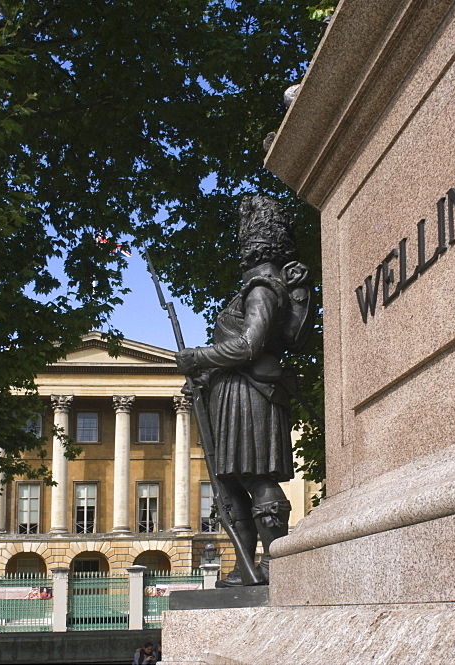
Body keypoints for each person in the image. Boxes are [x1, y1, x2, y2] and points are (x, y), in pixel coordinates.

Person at [175, 196, 314, 586]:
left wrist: (197, 357)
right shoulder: (261, 286)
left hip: (250, 394)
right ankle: (245, 567)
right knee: (231, 482)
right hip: (230, 392)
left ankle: (276, 564)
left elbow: (248, 346)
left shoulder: (261, 287)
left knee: (255, 477)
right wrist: (204, 379)